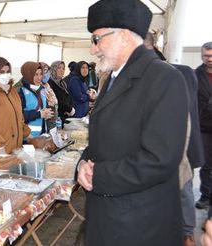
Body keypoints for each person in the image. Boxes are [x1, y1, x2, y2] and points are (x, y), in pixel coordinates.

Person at [76, 1, 189, 245]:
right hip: (108, 219)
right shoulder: (114, 78)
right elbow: (103, 140)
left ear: (124, 36)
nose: (93, 49)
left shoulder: (164, 78)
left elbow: (161, 159)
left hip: (138, 226)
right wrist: (83, 162)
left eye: (97, 39)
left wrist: (99, 175)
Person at [145, 31, 205, 246]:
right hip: (156, 151)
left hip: (181, 146)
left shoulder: (182, 73)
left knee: (184, 190)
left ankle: (187, 233)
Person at [196, 42, 212, 211]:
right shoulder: (196, 75)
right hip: (204, 126)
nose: (210, 59)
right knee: (206, 164)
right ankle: (205, 195)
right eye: (207, 56)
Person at [18, 61, 53, 137]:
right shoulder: (20, 91)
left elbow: (45, 107)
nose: (40, 77)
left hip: (42, 136)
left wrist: (47, 113)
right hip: (27, 138)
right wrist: (39, 114)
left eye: (41, 74)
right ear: (28, 74)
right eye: (36, 74)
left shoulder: (42, 89)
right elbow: (18, 116)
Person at [39, 62, 59, 131]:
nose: (45, 74)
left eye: (47, 71)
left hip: (53, 118)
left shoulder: (47, 85)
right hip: (46, 120)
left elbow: (54, 100)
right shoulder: (38, 86)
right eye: (43, 71)